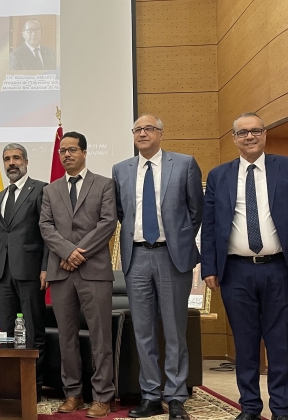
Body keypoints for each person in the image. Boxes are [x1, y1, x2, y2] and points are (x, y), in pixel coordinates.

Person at [201, 113, 288, 420]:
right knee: (245, 343)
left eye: (255, 131)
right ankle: (250, 407)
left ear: (264, 135)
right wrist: (209, 268)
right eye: (243, 132)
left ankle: (281, 410)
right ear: (234, 138)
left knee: (279, 343)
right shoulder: (218, 176)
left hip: (279, 269)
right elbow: (210, 225)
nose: (249, 136)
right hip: (235, 272)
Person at [112, 115, 203, 420]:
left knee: (175, 330)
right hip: (137, 256)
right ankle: (151, 394)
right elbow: (122, 213)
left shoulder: (184, 164)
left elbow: (195, 211)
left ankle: (176, 395)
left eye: (149, 128)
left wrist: (177, 240)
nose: (142, 133)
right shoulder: (121, 170)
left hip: (171, 256)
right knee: (143, 331)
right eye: (137, 129)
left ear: (162, 133)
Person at [38, 131, 117, 418]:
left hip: (93, 270)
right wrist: (66, 252)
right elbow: (46, 226)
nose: (66, 155)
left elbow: (108, 223)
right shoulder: (50, 190)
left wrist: (77, 253)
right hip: (61, 273)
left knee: (100, 336)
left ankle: (102, 396)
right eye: (63, 151)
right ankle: (73, 393)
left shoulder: (105, 184)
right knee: (66, 336)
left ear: (84, 152)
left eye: (72, 150)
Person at [0, 143, 47, 388]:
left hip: (30, 270)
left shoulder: (41, 190)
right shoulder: (1, 195)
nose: (11, 163)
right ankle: (11, 384)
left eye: (16, 158)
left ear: (25, 161)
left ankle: (34, 384)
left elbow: (47, 233)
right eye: (7, 159)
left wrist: (45, 267)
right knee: (8, 331)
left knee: (33, 330)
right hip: (3, 273)